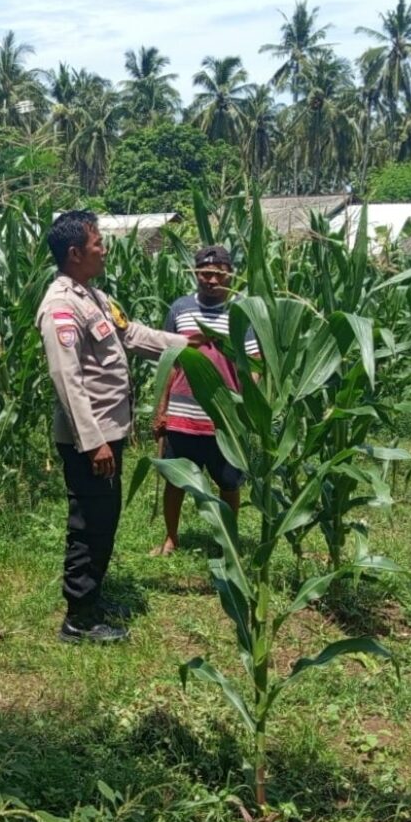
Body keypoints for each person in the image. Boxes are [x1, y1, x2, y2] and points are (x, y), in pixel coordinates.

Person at [37, 210, 198, 644]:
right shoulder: (61, 306)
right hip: (90, 439)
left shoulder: (93, 297)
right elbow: (67, 378)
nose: (104, 250)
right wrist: (93, 443)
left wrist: (186, 345)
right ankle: (79, 620)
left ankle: (92, 598)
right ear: (75, 253)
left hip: (109, 431)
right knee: (89, 523)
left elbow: (131, 335)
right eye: (97, 244)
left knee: (105, 519)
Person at [151, 245, 257, 556]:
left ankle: (227, 541)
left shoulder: (241, 313)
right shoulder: (180, 309)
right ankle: (171, 538)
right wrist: (161, 410)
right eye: (204, 273)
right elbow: (168, 362)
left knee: (229, 483)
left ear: (230, 275)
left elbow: (254, 364)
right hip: (182, 415)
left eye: (218, 274)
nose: (211, 280)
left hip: (224, 419)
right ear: (196, 273)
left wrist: (246, 407)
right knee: (175, 481)